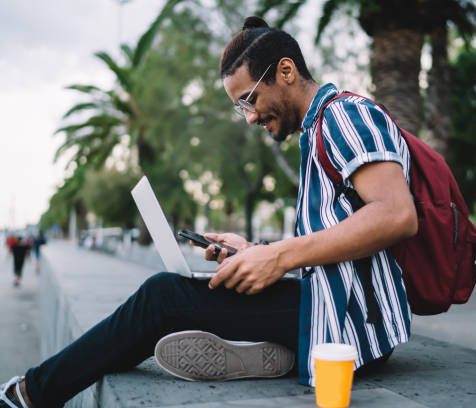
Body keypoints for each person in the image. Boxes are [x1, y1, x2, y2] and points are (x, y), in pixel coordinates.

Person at [0, 16, 417, 408]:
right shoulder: (318, 130)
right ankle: (266, 351)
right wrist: (255, 251)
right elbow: (334, 241)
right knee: (202, 289)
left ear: (286, 71)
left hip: (350, 324)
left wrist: (278, 257)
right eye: (241, 108)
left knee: (163, 297)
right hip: (334, 310)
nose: (250, 117)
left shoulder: (345, 115)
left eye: (249, 100)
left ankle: (31, 393)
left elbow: (396, 215)